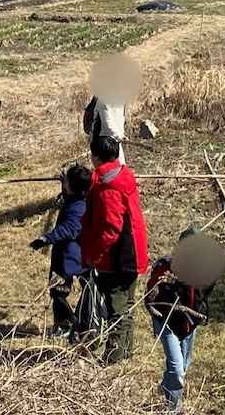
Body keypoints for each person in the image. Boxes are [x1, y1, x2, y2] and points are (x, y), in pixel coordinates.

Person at [79, 134, 149, 364]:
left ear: (95, 157)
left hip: (117, 257)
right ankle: (125, 352)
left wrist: (94, 255)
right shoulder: (124, 176)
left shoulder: (106, 187)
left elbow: (110, 228)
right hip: (134, 252)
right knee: (127, 305)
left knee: (116, 309)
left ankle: (112, 358)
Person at [146, 228, 214, 413]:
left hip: (189, 324)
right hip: (166, 321)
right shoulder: (166, 266)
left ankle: (166, 388)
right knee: (177, 369)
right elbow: (151, 293)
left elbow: (200, 295)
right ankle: (173, 408)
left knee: (183, 366)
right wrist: (167, 284)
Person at [30, 163, 91, 337]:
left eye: (67, 181)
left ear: (72, 185)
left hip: (68, 256)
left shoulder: (78, 207)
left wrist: (46, 239)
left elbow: (69, 228)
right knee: (80, 288)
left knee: (58, 290)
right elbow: (69, 196)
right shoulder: (79, 198)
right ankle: (73, 323)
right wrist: (65, 184)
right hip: (77, 255)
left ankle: (67, 324)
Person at [82, 96, 125, 161]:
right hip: (104, 142)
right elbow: (107, 123)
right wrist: (119, 136)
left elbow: (120, 119)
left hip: (112, 140)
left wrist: (120, 135)